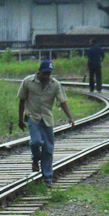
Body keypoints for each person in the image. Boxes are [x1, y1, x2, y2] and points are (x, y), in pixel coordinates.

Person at [17, 59, 75, 187]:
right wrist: (20, 119)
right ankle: (35, 159)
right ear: (39, 71)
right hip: (33, 117)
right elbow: (21, 101)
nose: (47, 76)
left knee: (48, 149)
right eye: (44, 73)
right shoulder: (28, 82)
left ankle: (47, 178)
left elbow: (63, 101)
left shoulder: (55, 84)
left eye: (49, 74)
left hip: (47, 119)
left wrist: (70, 117)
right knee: (36, 142)